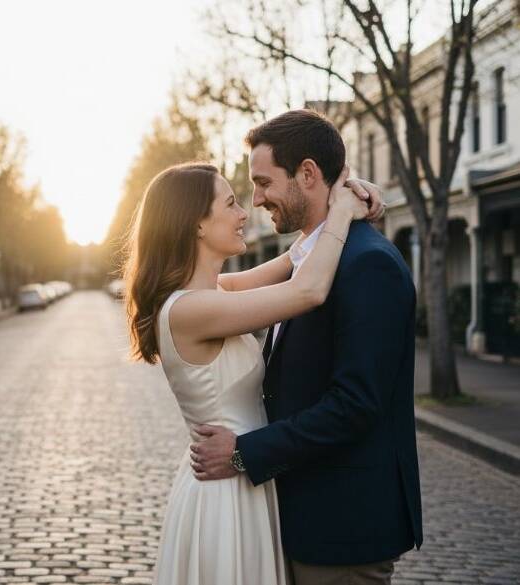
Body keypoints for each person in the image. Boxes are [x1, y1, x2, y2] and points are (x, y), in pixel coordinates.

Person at [175, 110, 422, 584]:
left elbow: (355, 405)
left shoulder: (369, 265)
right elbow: (295, 281)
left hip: (342, 528)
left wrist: (244, 452)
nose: (256, 200)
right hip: (296, 517)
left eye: (264, 182)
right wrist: (343, 204)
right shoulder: (311, 261)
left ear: (307, 174)